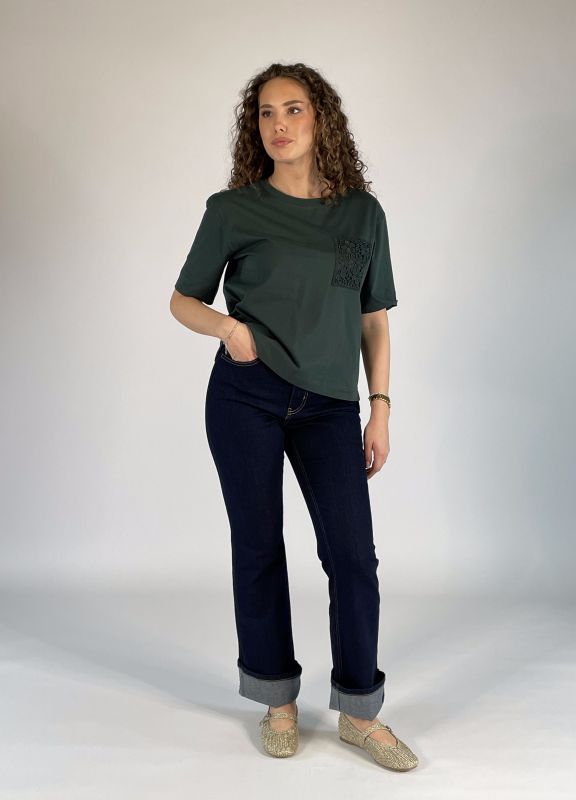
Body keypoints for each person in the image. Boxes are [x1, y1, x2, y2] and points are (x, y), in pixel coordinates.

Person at [170, 62, 418, 771]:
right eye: (266, 113)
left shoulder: (362, 214)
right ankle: (277, 698)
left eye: (294, 109)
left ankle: (360, 712)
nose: (278, 125)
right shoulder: (232, 210)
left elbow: (373, 318)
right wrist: (229, 329)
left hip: (330, 406)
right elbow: (182, 300)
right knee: (258, 546)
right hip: (245, 396)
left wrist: (380, 408)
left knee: (353, 556)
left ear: (321, 119)